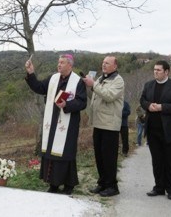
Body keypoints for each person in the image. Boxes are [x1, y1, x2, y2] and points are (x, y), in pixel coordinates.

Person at [24, 54, 87, 195]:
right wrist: (31, 73)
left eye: (62, 63)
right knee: (52, 153)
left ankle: (69, 185)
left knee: (65, 154)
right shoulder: (53, 78)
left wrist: (67, 104)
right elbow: (39, 87)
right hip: (52, 121)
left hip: (68, 123)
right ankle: (53, 184)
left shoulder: (78, 81)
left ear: (70, 65)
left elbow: (82, 102)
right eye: (58, 62)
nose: (59, 65)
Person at [140, 60, 171, 200]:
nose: (155, 72)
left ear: (167, 72)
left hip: (169, 131)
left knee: (169, 161)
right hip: (153, 130)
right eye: (154, 69)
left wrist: (163, 107)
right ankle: (159, 187)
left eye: (159, 70)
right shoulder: (148, 85)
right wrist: (148, 106)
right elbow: (142, 100)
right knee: (157, 160)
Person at [84, 56, 124, 197]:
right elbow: (95, 96)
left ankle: (112, 186)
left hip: (110, 125)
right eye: (103, 62)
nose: (104, 65)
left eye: (107, 63)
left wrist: (93, 84)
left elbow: (109, 96)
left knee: (109, 157)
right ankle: (102, 184)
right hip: (98, 123)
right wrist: (88, 85)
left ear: (115, 66)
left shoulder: (118, 80)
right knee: (99, 156)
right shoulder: (101, 78)